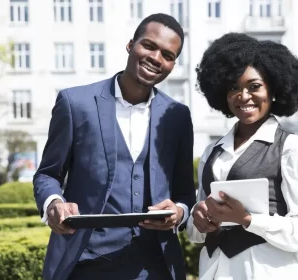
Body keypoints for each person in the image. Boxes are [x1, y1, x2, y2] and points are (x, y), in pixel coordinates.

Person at [33, 13, 196, 280]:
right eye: (149, 46)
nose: (156, 58)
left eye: (168, 55)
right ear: (131, 44)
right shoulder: (76, 103)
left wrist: (179, 211)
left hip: (155, 267)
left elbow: (184, 192)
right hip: (86, 263)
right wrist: (54, 203)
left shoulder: (177, 115)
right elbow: (47, 174)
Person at [186, 33, 298, 280]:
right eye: (233, 87)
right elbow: (196, 232)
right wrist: (197, 218)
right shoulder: (211, 152)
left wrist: (247, 219)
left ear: (274, 89)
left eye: (254, 86)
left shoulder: (293, 148)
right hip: (215, 270)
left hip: (267, 271)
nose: (243, 96)